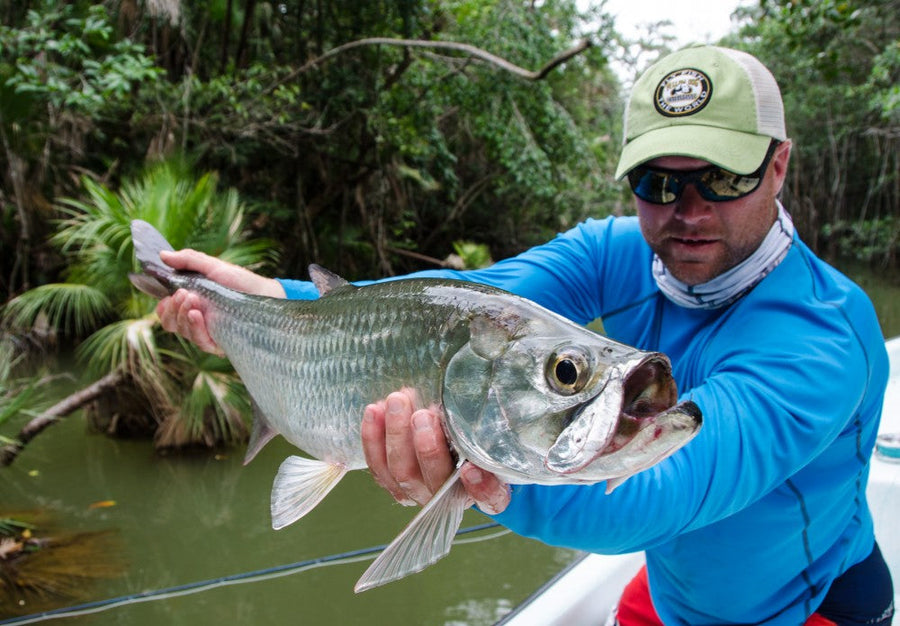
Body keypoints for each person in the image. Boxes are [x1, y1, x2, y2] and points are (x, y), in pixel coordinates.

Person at [154, 45, 894, 624]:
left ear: (779, 165)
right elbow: (453, 306)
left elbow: (656, 492)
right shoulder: (618, 250)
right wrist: (260, 303)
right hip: (672, 596)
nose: (687, 210)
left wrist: (484, 479)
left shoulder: (822, 337)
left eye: (721, 178)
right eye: (658, 184)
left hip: (809, 610)